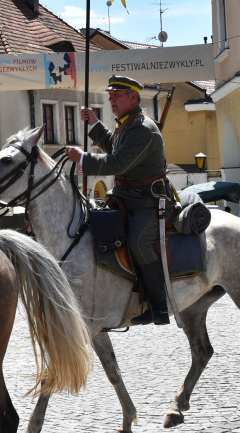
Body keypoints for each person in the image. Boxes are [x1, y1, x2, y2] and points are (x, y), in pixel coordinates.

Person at [65, 75, 170, 325]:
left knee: (138, 242)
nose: (111, 99)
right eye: (110, 95)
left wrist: (82, 158)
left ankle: (159, 305)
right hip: (126, 197)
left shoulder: (143, 129)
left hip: (147, 201)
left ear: (133, 97)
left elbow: (117, 163)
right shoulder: (129, 124)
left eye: (117, 95)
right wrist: (95, 124)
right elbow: (115, 146)